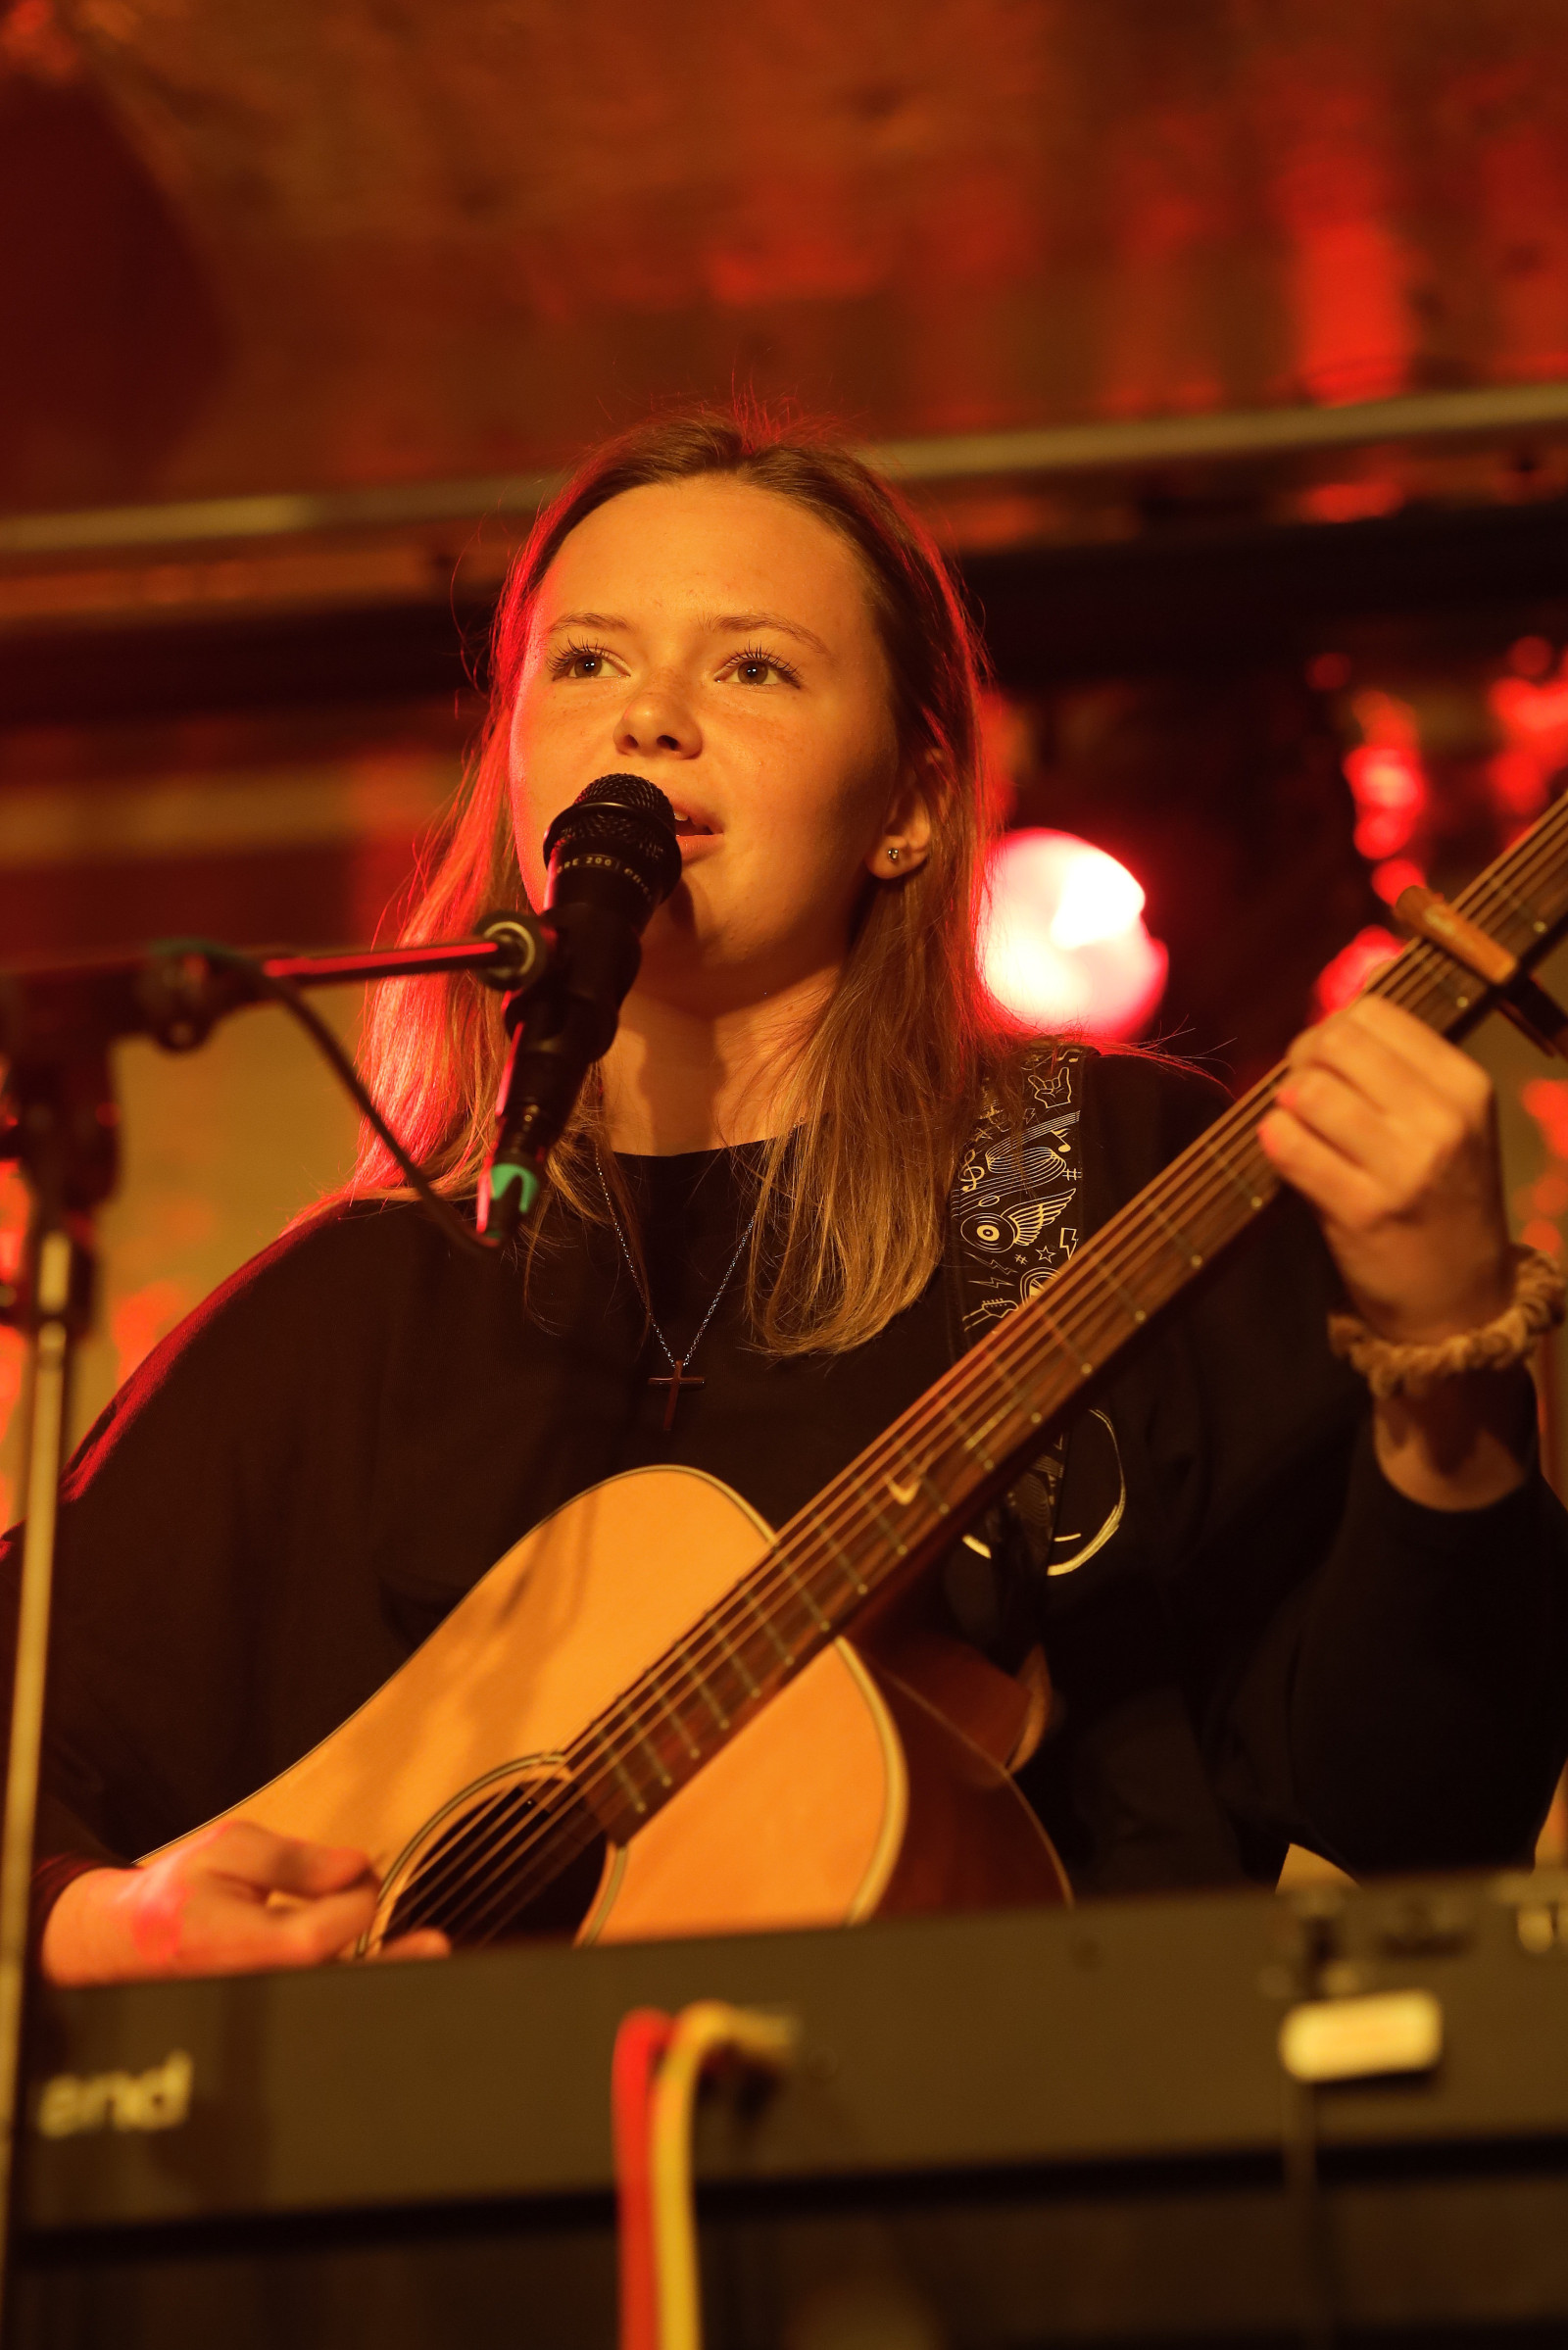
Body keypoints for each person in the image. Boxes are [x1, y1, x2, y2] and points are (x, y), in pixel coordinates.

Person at [14, 407, 1568, 1986]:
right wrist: (104, 1921)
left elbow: (1422, 1812)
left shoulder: (1115, 1174)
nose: (651, 720)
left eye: (753, 667)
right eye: (587, 662)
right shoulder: (363, 1309)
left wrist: (1452, 1369)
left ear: (909, 803)